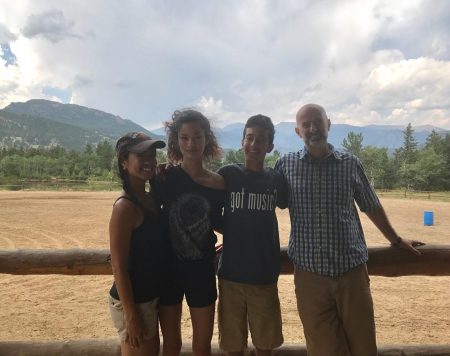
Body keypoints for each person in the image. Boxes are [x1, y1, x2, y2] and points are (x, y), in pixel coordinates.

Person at [274, 104, 425, 356]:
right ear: (298, 131)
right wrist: (236, 238)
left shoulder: (350, 163)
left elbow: (371, 205)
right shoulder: (285, 165)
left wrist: (395, 239)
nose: (313, 129)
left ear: (328, 124)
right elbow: (266, 204)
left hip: (352, 272)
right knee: (323, 349)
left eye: (317, 122)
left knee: (363, 346)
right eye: (306, 124)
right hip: (309, 276)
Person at [151, 109, 225, 356]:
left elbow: (219, 222)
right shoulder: (164, 177)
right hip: (168, 270)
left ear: (207, 139)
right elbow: (148, 216)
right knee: (171, 345)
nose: (191, 143)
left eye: (197, 136)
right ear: (176, 141)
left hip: (202, 271)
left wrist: (234, 241)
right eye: (184, 138)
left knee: (202, 347)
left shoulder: (218, 184)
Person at [217, 114, 288, 356]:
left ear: (270, 146)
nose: (254, 144)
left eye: (261, 140)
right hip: (230, 276)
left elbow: (291, 204)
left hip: (264, 275)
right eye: (249, 138)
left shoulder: (276, 179)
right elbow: (210, 211)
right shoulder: (227, 174)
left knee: (264, 345)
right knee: (233, 345)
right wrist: (231, 232)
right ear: (242, 141)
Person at [108, 132, 166, 356]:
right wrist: (131, 315)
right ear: (124, 161)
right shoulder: (124, 208)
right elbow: (118, 266)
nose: (149, 161)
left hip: (147, 298)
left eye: (152, 154)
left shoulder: (149, 199)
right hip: (134, 303)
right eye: (141, 155)